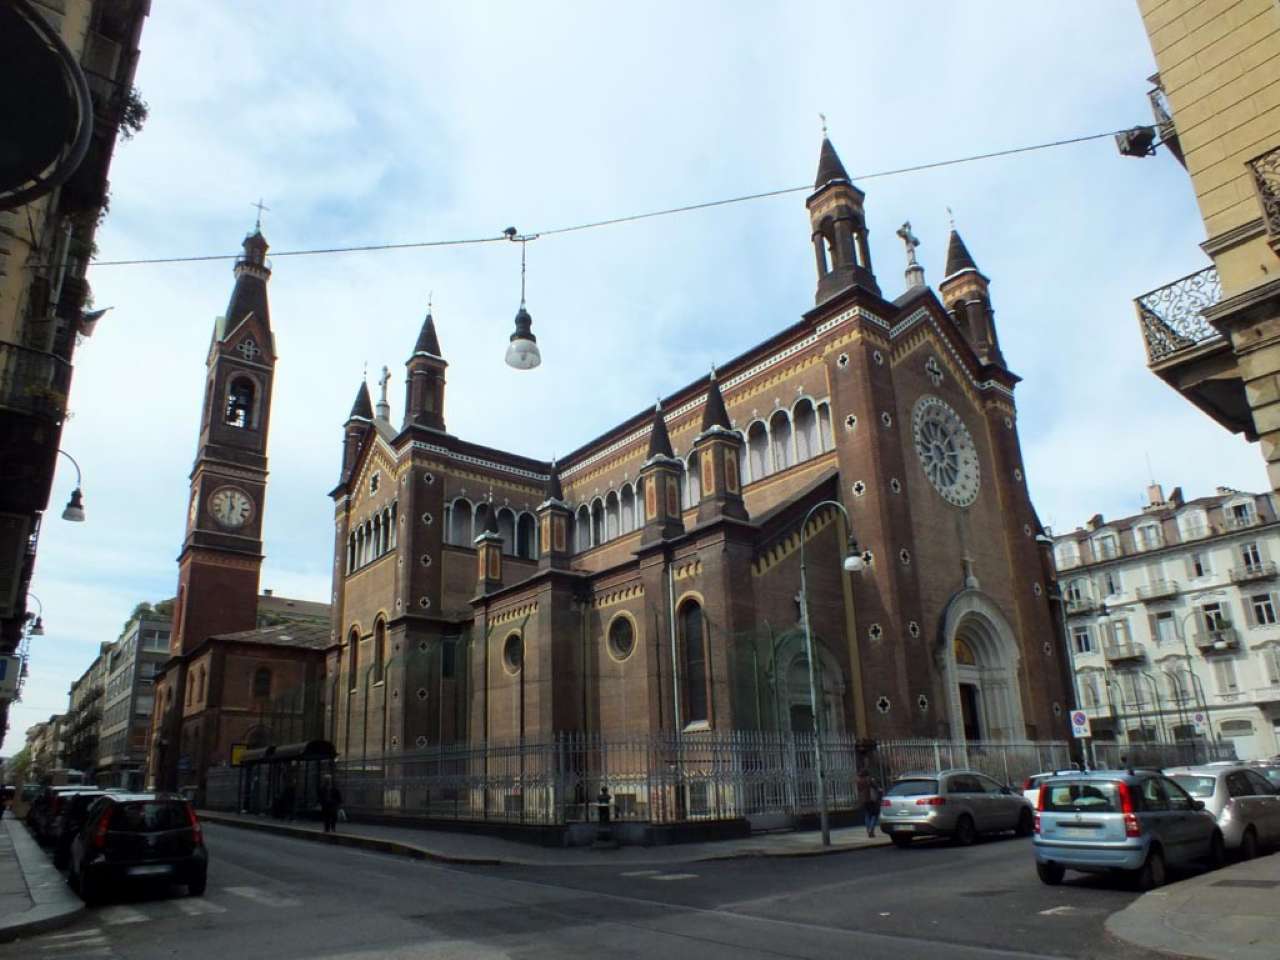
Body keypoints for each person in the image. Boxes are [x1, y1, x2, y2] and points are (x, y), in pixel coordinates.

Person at [856, 767, 882, 837]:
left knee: (867, 815)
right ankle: (871, 829)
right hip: (871, 800)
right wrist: (880, 789)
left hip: (863, 801)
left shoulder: (858, 781)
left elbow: (859, 790)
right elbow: (877, 788)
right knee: (874, 815)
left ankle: (868, 830)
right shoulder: (869, 779)